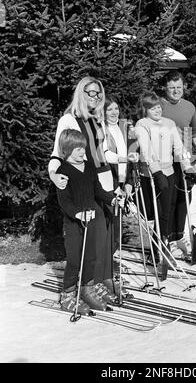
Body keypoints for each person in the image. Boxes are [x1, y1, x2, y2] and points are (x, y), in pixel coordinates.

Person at [48, 75, 125, 298]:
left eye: (98, 93)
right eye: (89, 92)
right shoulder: (68, 120)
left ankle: (103, 280)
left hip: (104, 180)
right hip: (85, 183)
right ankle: (88, 283)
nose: (94, 96)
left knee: (109, 234)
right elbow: (58, 152)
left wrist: (125, 159)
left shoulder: (96, 119)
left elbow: (103, 153)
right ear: (80, 93)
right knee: (95, 233)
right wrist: (53, 174)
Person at [56, 129, 125, 313]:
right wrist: (77, 214)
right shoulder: (63, 171)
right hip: (74, 223)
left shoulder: (88, 167)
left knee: (91, 256)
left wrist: (111, 199)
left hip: (91, 219)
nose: (82, 152)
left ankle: (87, 288)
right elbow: (64, 201)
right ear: (66, 149)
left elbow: (98, 190)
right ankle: (68, 295)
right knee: (75, 259)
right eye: (77, 148)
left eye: (83, 148)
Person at [134, 91, 196, 259]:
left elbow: (179, 148)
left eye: (158, 107)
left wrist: (188, 168)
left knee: (168, 211)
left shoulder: (169, 123)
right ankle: (157, 247)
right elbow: (146, 151)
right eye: (152, 108)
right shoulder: (142, 125)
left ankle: (165, 242)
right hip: (152, 175)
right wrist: (156, 172)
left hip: (169, 172)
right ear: (145, 109)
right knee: (158, 212)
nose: (157, 111)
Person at [160, 70, 196, 257]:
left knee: (185, 199)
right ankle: (167, 238)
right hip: (165, 159)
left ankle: (179, 236)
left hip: (185, 159)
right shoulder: (158, 105)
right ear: (165, 88)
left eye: (178, 87)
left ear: (183, 87)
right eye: (172, 88)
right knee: (168, 200)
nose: (175, 91)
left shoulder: (189, 106)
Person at [103, 97, 133, 252]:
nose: (114, 112)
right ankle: (103, 264)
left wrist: (129, 182)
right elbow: (104, 157)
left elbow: (131, 157)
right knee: (110, 226)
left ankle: (108, 261)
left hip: (122, 182)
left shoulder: (123, 127)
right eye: (109, 109)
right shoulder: (102, 129)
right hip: (109, 183)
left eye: (116, 108)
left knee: (116, 228)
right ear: (103, 112)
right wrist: (117, 186)